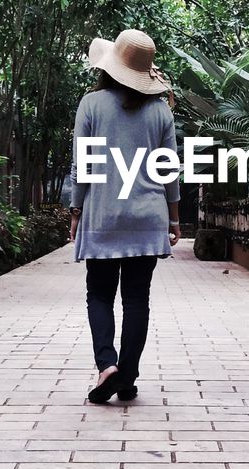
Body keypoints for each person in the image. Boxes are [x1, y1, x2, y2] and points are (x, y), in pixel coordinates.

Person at [69, 29, 181, 404]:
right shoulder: (161, 110)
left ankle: (108, 367)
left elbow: (81, 167)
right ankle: (128, 378)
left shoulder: (91, 104)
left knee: (99, 295)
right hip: (148, 218)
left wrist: (75, 208)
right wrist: (175, 218)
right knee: (137, 300)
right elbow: (169, 171)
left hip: (103, 215)